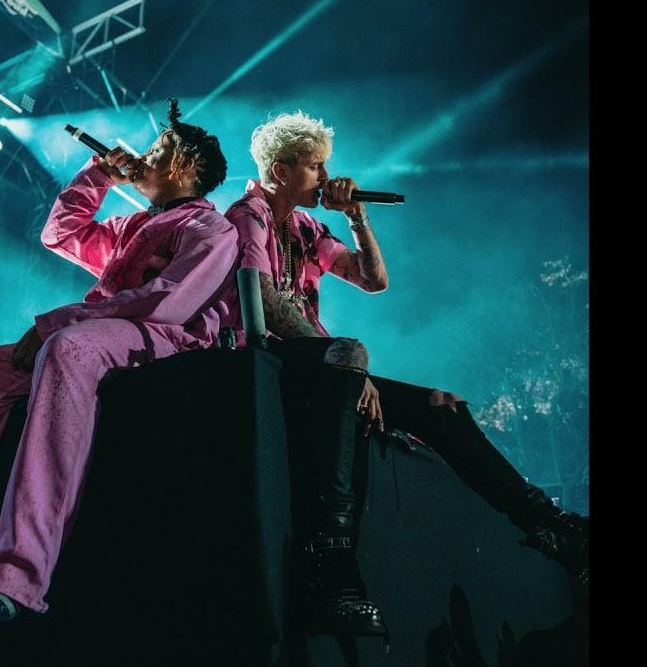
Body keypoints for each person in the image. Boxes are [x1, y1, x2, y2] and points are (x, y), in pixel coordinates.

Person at [220, 112, 589, 637]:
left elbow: (373, 280)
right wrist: (345, 363)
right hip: (275, 365)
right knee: (352, 352)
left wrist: (357, 218)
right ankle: (330, 573)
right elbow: (265, 302)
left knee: (443, 406)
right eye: (316, 166)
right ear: (281, 170)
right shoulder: (248, 216)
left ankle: (556, 532)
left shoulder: (305, 227)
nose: (327, 176)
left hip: (329, 365)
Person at [0, 99, 236, 625]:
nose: (142, 155)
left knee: (69, 349)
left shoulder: (211, 228)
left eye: (157, 148)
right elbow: (60, 235)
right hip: (97, 329)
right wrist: (96, 176)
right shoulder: (135, 224)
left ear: (184, 164)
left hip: (163, 338)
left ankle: (15, 582)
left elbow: (169, 304)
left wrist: (56, 324)